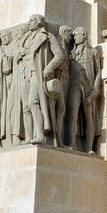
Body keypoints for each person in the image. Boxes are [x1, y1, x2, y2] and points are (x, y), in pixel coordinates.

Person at [22, 14, 65, 144]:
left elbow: (60, 55)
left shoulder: (48, 37)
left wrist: (49, 67)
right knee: (27, 106)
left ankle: (40, 135)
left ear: (39, 22)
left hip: (38, 74)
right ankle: (32, 136)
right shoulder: (27, 38)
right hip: (26, 74)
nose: (29, 23)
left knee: (33, 102)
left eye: (31, 21)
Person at [67, 28, 102, 152]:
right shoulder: (72, 53)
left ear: (84, 35)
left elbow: (98, 72)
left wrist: (95, 90)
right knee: (73, 112)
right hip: (75, 84)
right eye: (74, 35)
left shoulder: (93, 52)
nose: (75, 37)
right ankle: (72, 144)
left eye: (77, 35)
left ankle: (88, 148)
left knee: (89, 116)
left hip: (88, 87)